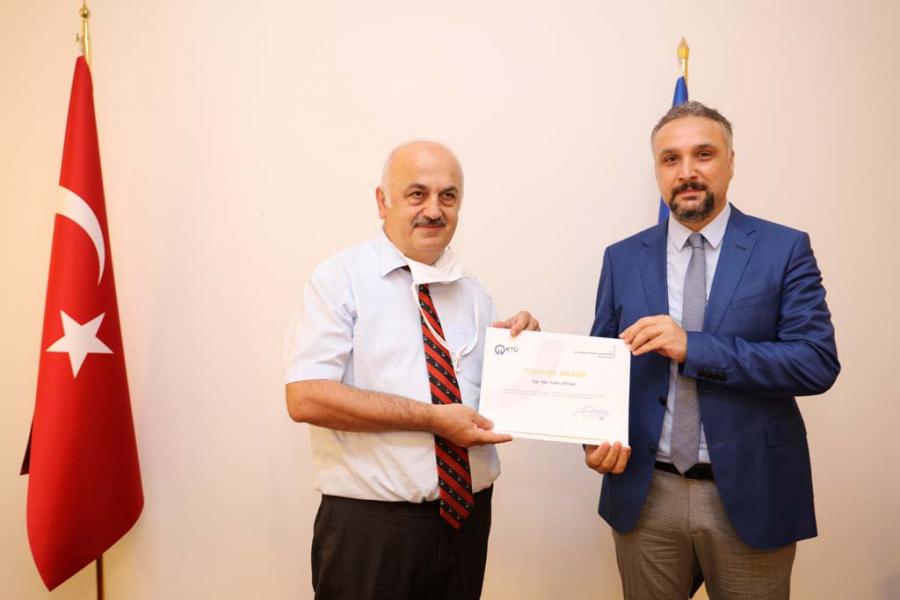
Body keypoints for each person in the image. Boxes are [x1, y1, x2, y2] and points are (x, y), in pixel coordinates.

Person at [583, 101, 840, 599]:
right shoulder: (622, 257)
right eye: (670, 159)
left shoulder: (784, 249)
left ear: (731, 161)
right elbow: (602, 365)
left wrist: (694, 347)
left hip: (751, 493)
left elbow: (816, 362)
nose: (687, 172)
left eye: (703, 154)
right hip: (646, 495)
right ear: (657, 170)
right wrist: (592, 438)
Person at [284, 140, 539, 600]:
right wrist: (432, 418)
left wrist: (525, 352)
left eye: (448, 196)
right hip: (371, 528)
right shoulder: (340, 280)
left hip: (466, 521)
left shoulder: (473, 292)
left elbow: (488, 403)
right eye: (417, 194)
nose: (434, 210)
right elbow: (306, 397)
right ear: (382, 201)